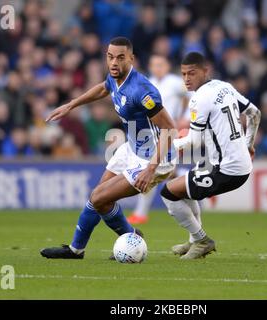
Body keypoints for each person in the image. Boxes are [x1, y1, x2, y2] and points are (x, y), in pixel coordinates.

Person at [40, 37, 176, 259]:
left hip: (155, 158)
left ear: (131, 59)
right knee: (100, 200)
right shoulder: (115, 77)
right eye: (110, 57)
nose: (114, 62)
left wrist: (151, 168)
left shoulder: (143, 91)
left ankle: (80, 249)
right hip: (132, 148)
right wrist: (71, 104)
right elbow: (103, 88)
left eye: (120, 58)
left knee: (98, 197)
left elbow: (169, 129)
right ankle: (126, 236)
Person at [161, 52, 261, 259]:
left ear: (205, 71)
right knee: (184, 189)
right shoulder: (224, 87)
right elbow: (254, 113)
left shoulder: (199, 98)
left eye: (192, 73)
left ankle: (201, 240)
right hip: (233, 164)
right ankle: (193, 241)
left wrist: (166, 146)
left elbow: (194, 142)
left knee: (169, 193)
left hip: (226, 169)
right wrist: (248, 144)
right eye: (183, 74)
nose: (187, 79)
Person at [128, 54, 189, 225]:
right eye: (154, 65)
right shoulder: (148, 82)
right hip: (152, 131)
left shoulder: (175, 82)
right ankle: (200, 179)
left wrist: (184, 118)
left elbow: (191, 98)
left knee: (151, 168)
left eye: (161, 64)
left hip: (168, 130)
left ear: (167, 66)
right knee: (167, 171)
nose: (157, 68)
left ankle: (140, 213)